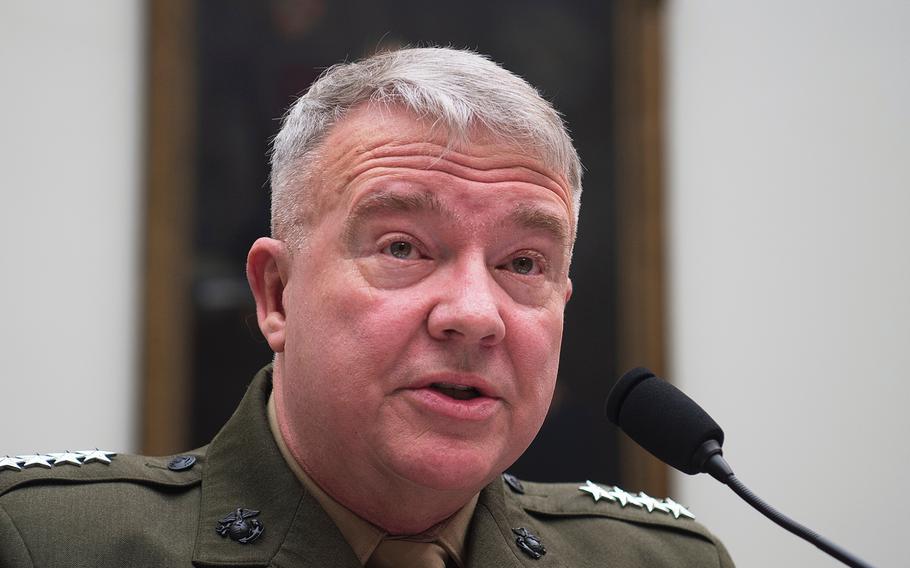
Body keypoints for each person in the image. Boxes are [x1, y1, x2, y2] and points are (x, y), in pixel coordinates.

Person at [0, 47, 733, 567]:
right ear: (276, 295)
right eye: (404, 249)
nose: (476, 314)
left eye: (522, 263)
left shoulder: (661, 560)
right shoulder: (42, 543)